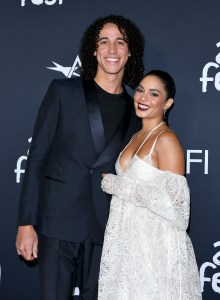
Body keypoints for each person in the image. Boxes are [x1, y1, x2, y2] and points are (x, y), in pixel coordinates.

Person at [15, 15, 144, 300]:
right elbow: (36, 159)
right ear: (94, 50)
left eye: (120, 42)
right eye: (104, 42)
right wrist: (26, 223)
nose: (112, 49)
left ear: (130, 51)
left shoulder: (137, 113)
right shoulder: (63, 91)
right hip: (57, 223)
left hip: (107, 231)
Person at [99, 70, 202, 299]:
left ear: (167, 103)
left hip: (156, 249)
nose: (143, 98)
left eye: (153, 94)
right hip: (126, 244)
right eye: (141, 90)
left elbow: (178, 210)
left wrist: (118, 185)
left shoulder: (167, 140)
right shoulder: (135, 136)